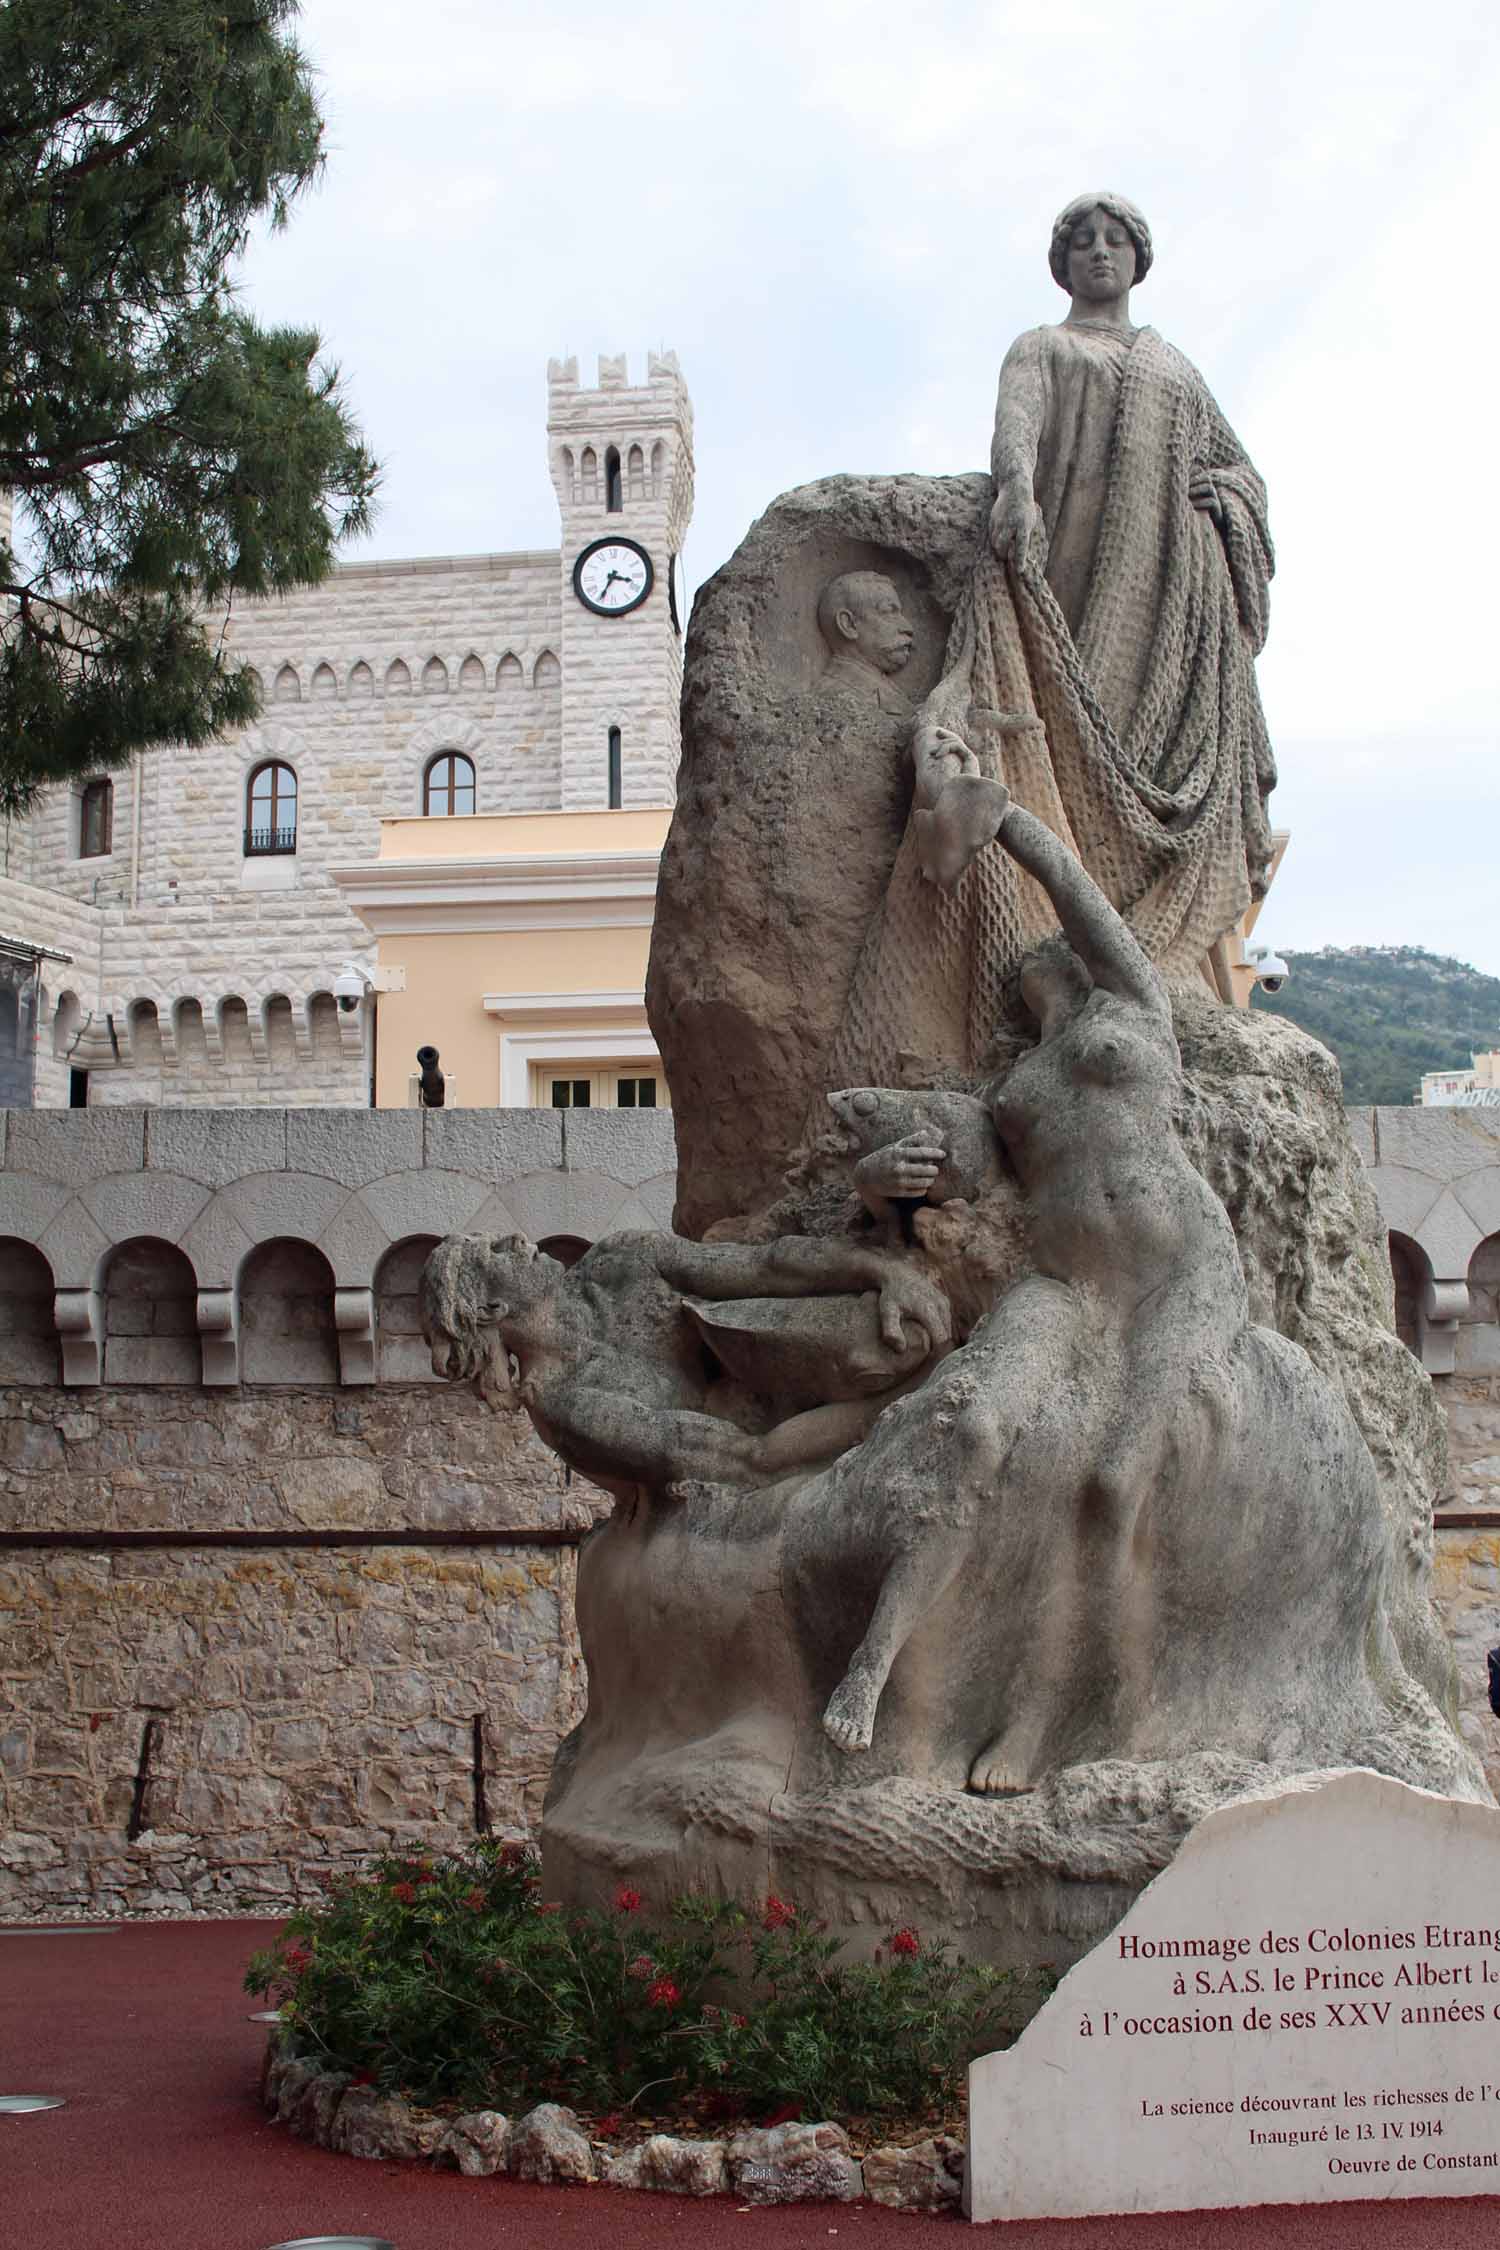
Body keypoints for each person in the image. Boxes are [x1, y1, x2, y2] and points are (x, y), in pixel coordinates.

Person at [809, 784, 1385, 1791]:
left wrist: (1007, 823)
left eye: (1046, 957)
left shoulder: (1135, 1008)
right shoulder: (1008, 1088)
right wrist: (872, 1181)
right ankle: (871, 1664)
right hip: (1068, 1282)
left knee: (1116, 1482)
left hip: (1178, 1273)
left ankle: (1055, 1717)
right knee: (980, 1428)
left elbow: (1072, 889)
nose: (1028, 967)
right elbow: (943, 1172)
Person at [830, 191, 1277, 1091]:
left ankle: (1151, 959)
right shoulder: (1042, 346)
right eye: (1083, 241)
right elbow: (1016, 430)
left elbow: (1237, 470)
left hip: (1167, 597)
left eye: (1116, 240)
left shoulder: (1175, 369)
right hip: (1064, 586)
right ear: (1062, 261)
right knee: (1064, 743)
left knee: (1153, 748)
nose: (1100, 253)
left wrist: (1220, 509)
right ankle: (1062, 944)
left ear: (1139, 258)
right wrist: (1017, 492)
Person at [420, 1226, 950, 1498]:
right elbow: (751, 1459)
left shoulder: (620, 1260)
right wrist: (893, 1411)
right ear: (491, 1309)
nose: (517, 1239)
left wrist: (883, 1271)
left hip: (793, 1343)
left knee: (898, 1332)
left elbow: (762, 1266)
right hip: (801, 1435)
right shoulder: (572, 1405)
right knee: (886, 1352)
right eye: (497, 1254)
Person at [816, 570, 915, 710]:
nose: (907, 627)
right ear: (849, 625)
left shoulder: (881, 690)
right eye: (888, 612)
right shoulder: (834, 699)